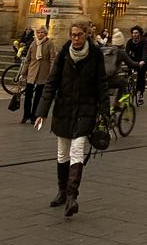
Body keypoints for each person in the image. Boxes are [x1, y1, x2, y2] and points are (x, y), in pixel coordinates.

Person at [35, 21, 110, 217]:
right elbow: (52, 82)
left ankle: (71, 197)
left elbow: (102, 83)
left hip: (85, 110)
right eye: (73, 35)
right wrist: (42, 111)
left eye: (79, 35)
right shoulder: (64, 53)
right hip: (64, 110)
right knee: (62, 153)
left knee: (77, 151)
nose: (75, 38)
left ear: (86, 35)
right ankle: (61, 191)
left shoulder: (95, 54)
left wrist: (105, 111)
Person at [21, 26, 56, 125]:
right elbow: (28, 59)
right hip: (32, 72)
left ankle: (34, 116)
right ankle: (26, 115)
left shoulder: (49, 44)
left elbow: (52, 59)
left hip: (43, 73)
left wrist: (51, 73)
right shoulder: (33, 43)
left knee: (38, 96)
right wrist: (23, 72)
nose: (40, 34)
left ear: (45, 34)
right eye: (38, 33)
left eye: (42, 33)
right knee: (28, 96)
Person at [101, 28, 141, 110]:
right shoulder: (120, 52)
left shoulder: (105, 49)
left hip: (99, 78)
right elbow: (131, 63)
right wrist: (138, 64)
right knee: (123, 83)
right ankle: (117, 104)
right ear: (122, 43)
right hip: (110, 78)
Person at [125, 26, 147, 104]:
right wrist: (126, 60)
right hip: (133, 60)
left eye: (136, 33)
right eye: (133, 33)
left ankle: (140, 93)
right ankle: (129, 87)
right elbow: (126, 52)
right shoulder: (130, 42)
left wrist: (143, 61)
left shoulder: (144, 41)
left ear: (140, 33)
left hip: (142, 61)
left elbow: (145, 52)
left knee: (141, 77)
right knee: (129, 73)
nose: (134, 34)